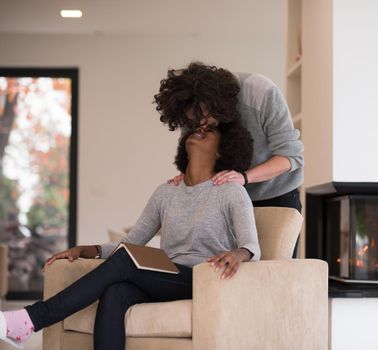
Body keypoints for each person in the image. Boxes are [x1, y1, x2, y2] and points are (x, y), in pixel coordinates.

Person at [0, 121, 260, 350]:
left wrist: (239, 253)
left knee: (126, 261)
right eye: (198, 127)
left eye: (210, 130)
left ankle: (32, 319)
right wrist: (89, 249)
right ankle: (29, 321)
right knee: (116, 291)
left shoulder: (231, 192)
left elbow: (251, 245)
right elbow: (132, 242)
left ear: (221, 150)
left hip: (203, 279)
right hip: (167, 276)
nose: (200, 129)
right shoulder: (166, 192)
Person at [154, 62, 304, 212]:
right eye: (194, 121)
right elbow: (193, 156)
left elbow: (291, 157)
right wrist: (185, 177)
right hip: (226, 197)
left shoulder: (261, 93)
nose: (201, 126)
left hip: (276, 194)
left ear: (217, 104)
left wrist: (244, 177)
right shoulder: (190, 112)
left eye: (205, 118)